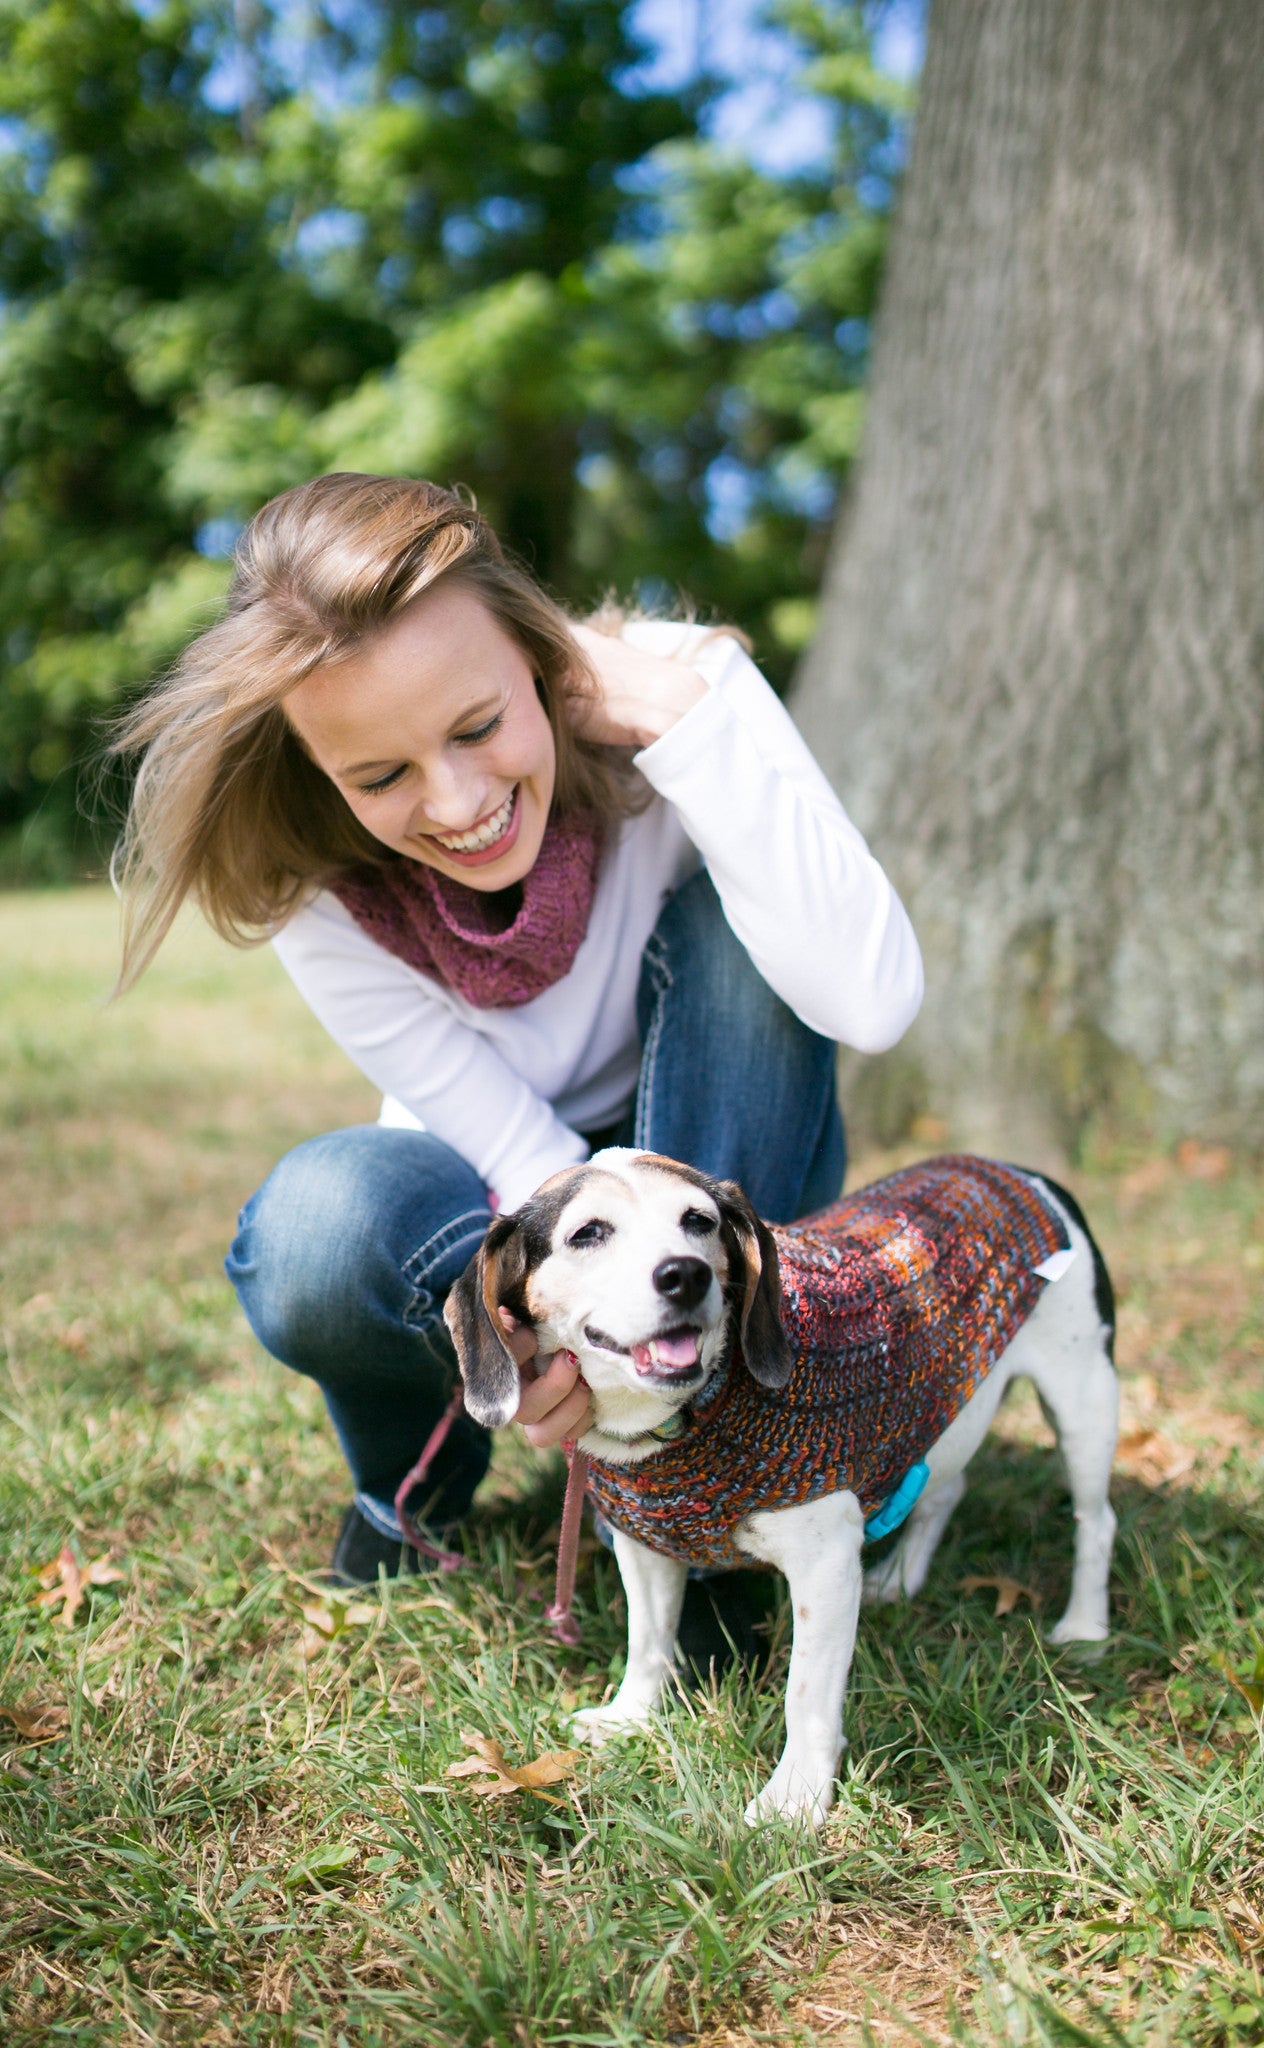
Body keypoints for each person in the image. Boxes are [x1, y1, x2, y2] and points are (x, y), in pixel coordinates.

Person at [113, 471, 924, 1603]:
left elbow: (872, 998)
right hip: (514, 1189)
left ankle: (727, 1465)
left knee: (742, 930)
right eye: (381, 775)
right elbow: (506, 1141)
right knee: (311, 1230)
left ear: (539, 660)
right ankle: (421, 1481)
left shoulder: (680, 691)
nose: (455, 802)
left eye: (480, 724)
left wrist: (687, 722)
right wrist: (546, 1336)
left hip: (724, 1149)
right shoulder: (310, 868)